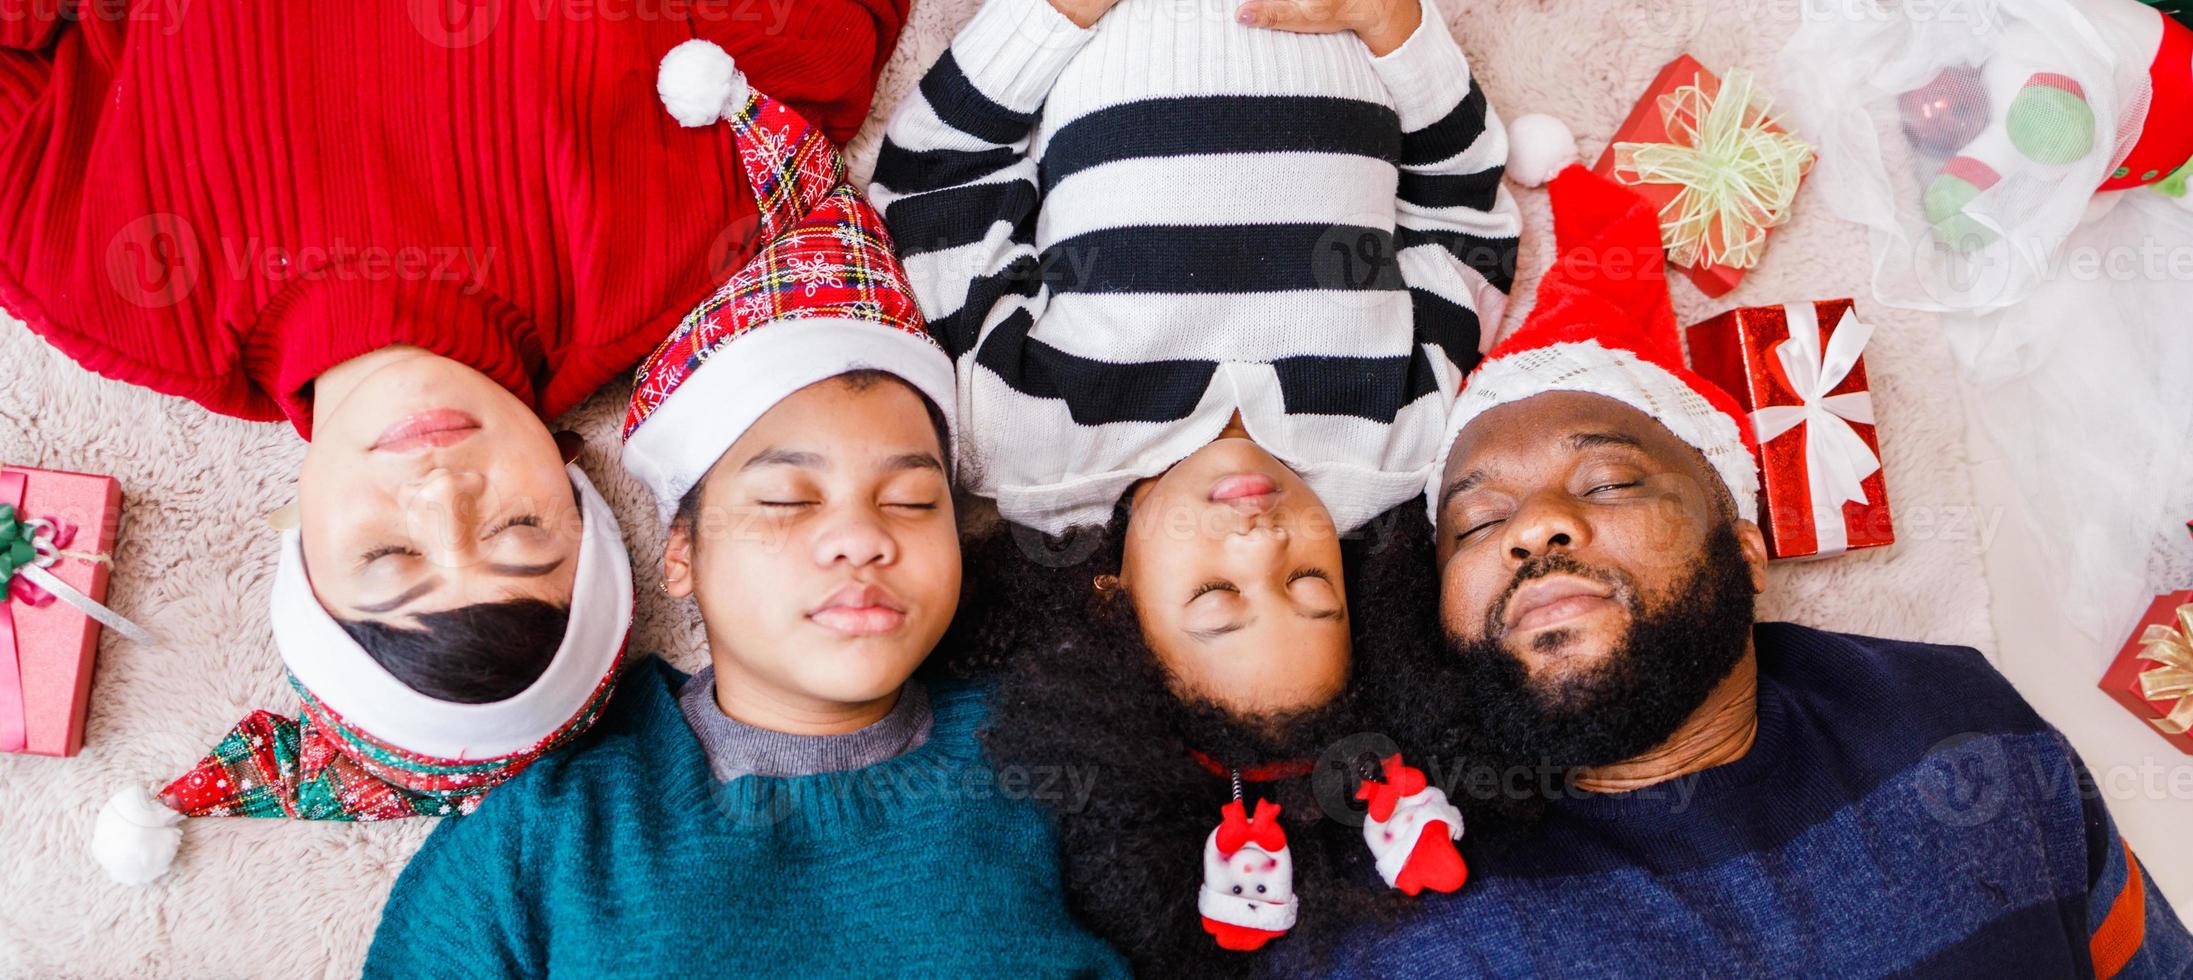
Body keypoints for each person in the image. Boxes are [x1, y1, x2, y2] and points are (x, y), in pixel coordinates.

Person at [1, 0, 906, 882]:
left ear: (298, 551)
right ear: (576, 488)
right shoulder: (656, 252)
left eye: (390, 552)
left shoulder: (115, 292)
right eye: (517, 529)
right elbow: (828, 37)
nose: (441, 490)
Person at [1329, 123, 2193, 977]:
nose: (1530, 528)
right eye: (1476, 524)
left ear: (1744, 550)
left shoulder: (1954, 722)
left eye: (1606, 483)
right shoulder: (1377, 898)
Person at [364, 63, 1129, 977]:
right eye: (786, 500)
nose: (860, 537)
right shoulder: (558, 828)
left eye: (912, 500)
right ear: (679, 555)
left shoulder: (1058, 751)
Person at [878, 0, 1526, 971]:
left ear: (1116, 600)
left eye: (1217, 596)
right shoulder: (1393, 435)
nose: (1264, 542)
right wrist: (1395, 26)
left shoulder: (1032, 442)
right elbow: (1467, 217)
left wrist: (1052, 16)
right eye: (1311, 585)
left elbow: (931, 182)